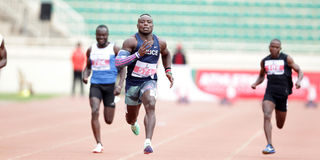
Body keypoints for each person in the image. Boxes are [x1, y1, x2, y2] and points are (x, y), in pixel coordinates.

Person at [115, 14, 174, 154]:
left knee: (151, 103)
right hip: (132, 83)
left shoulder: (160, 42)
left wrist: (168, 70)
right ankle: (133, 122)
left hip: (149, 80)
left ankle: (148, 142)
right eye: (142, 22)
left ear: (153, 25)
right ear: (137, 25)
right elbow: (118, 63)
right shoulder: (131, 42)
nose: (146, 24)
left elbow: (166, 54)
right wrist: (137, 55)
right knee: (130, 118)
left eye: (149, 22)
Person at [251, 38, 303, 154]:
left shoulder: (286, 59)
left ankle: (283, 107)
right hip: (270, 93)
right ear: (269, 47)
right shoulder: (264, 61)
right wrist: (255, 83)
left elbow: (299, 70)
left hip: (283, 94)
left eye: (276, 47)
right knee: (266, 114)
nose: (274, 49)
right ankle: (269, 145)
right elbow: (261, 75)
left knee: (280, 125)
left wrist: (299, 81)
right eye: (272, 46)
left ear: (280, 49)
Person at [82, 25, 126, 153]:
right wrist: (85, 75)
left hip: (110, 87)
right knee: (94, 111)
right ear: (96, 35)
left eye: (103, 35)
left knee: (108, 120)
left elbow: (123, 68)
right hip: (95, 85)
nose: (101, 37)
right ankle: (99, 143)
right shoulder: (91, 49)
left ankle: (112, 103)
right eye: (99, 35)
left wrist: (119, 85)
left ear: (107, 35)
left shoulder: (114, 48)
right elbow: (88, 67)